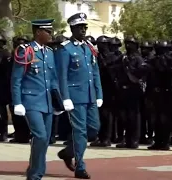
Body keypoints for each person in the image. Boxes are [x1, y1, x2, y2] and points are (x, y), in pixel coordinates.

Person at [11, 19, 61, 180]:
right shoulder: (25, 51)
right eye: (48, 31)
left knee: (45, 139)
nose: (51, 34)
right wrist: (17, 102)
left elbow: (53, 79)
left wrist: (58, 100)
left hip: (46, 102)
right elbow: (16, 79)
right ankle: (35, 174)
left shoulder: (49, 53)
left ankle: (36, 170)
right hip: (30, 101)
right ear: (38, 32)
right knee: (39, 135)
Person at [55, 13, 103, 179]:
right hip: (75, 97)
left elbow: (95, 72)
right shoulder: (65, 48)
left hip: (90, 95)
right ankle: (80, 167)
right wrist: (65, 97)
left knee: (94, 129)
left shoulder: (89, 47)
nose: (83, 30)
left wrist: (99, 93)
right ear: (72, 29)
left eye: (84, 27)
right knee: (80, 131)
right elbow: (61, 75)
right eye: (79, 27)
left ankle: (68, 152)